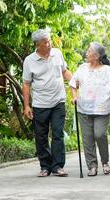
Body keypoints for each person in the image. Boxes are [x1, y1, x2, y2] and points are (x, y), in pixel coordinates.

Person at [22, 29, 72, 177]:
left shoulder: (57, 53)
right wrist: (26, 105)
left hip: (58, 101)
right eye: (45, 42)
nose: (49, 44)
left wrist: (75, 81)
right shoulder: (29, 60)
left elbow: (65, 71)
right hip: (40, 103)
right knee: (41, 136)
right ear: (37, 45)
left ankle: (57, 166)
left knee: (58, 134)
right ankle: (45, 166)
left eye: (49, 40)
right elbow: (26, 84)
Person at [69, 42, 110, 176]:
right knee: (87, 138)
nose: (86, 53)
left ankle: (105, 162)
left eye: (89, 51)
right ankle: (92, 166)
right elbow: (73, 83)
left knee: (100, 134)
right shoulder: (83, 68)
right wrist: (74, 97)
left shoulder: (107, 70)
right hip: (83, 108)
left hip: (102, 109)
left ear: (96, 56)